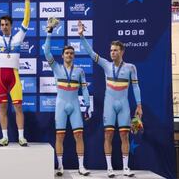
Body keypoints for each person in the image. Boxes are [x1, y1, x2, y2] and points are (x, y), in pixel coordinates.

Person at [78, 21, 142, 177]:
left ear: (122, 51)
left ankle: (126, 168)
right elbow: (91, 53)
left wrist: (139, 105)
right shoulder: (106, 65)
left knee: (124, 135)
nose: (112, 53)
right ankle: (109, 168)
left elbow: (135, 87)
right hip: (109, 104)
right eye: (111, 50)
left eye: (115, 50)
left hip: (124, 105)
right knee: (108, 135)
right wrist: (81, 35)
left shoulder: (131, 68)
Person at [44, 23, 91, 176]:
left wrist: (88, 105)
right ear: (62, 56)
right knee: (60, 136)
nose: (69, 55)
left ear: (74, 56)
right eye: (66, 53)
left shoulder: (79, 71)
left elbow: (84, 89)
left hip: (75, 106)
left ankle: (81, 166)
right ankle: (60, 166)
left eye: (71, 53)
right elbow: (46, 51)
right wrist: (49, 32)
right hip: (61, 105)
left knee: (79, 135)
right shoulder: (56, 67)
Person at [0, 0, 30, 146]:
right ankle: (4, 137)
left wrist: (27, 1)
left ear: (11, 25)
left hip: (14, 76)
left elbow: (26, 20)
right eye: (2, 25)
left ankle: (21, 137)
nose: (4, 27)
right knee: (3, 107)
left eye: (7, 24)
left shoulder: (18, 37)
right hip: (0, 77)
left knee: (18, 106)